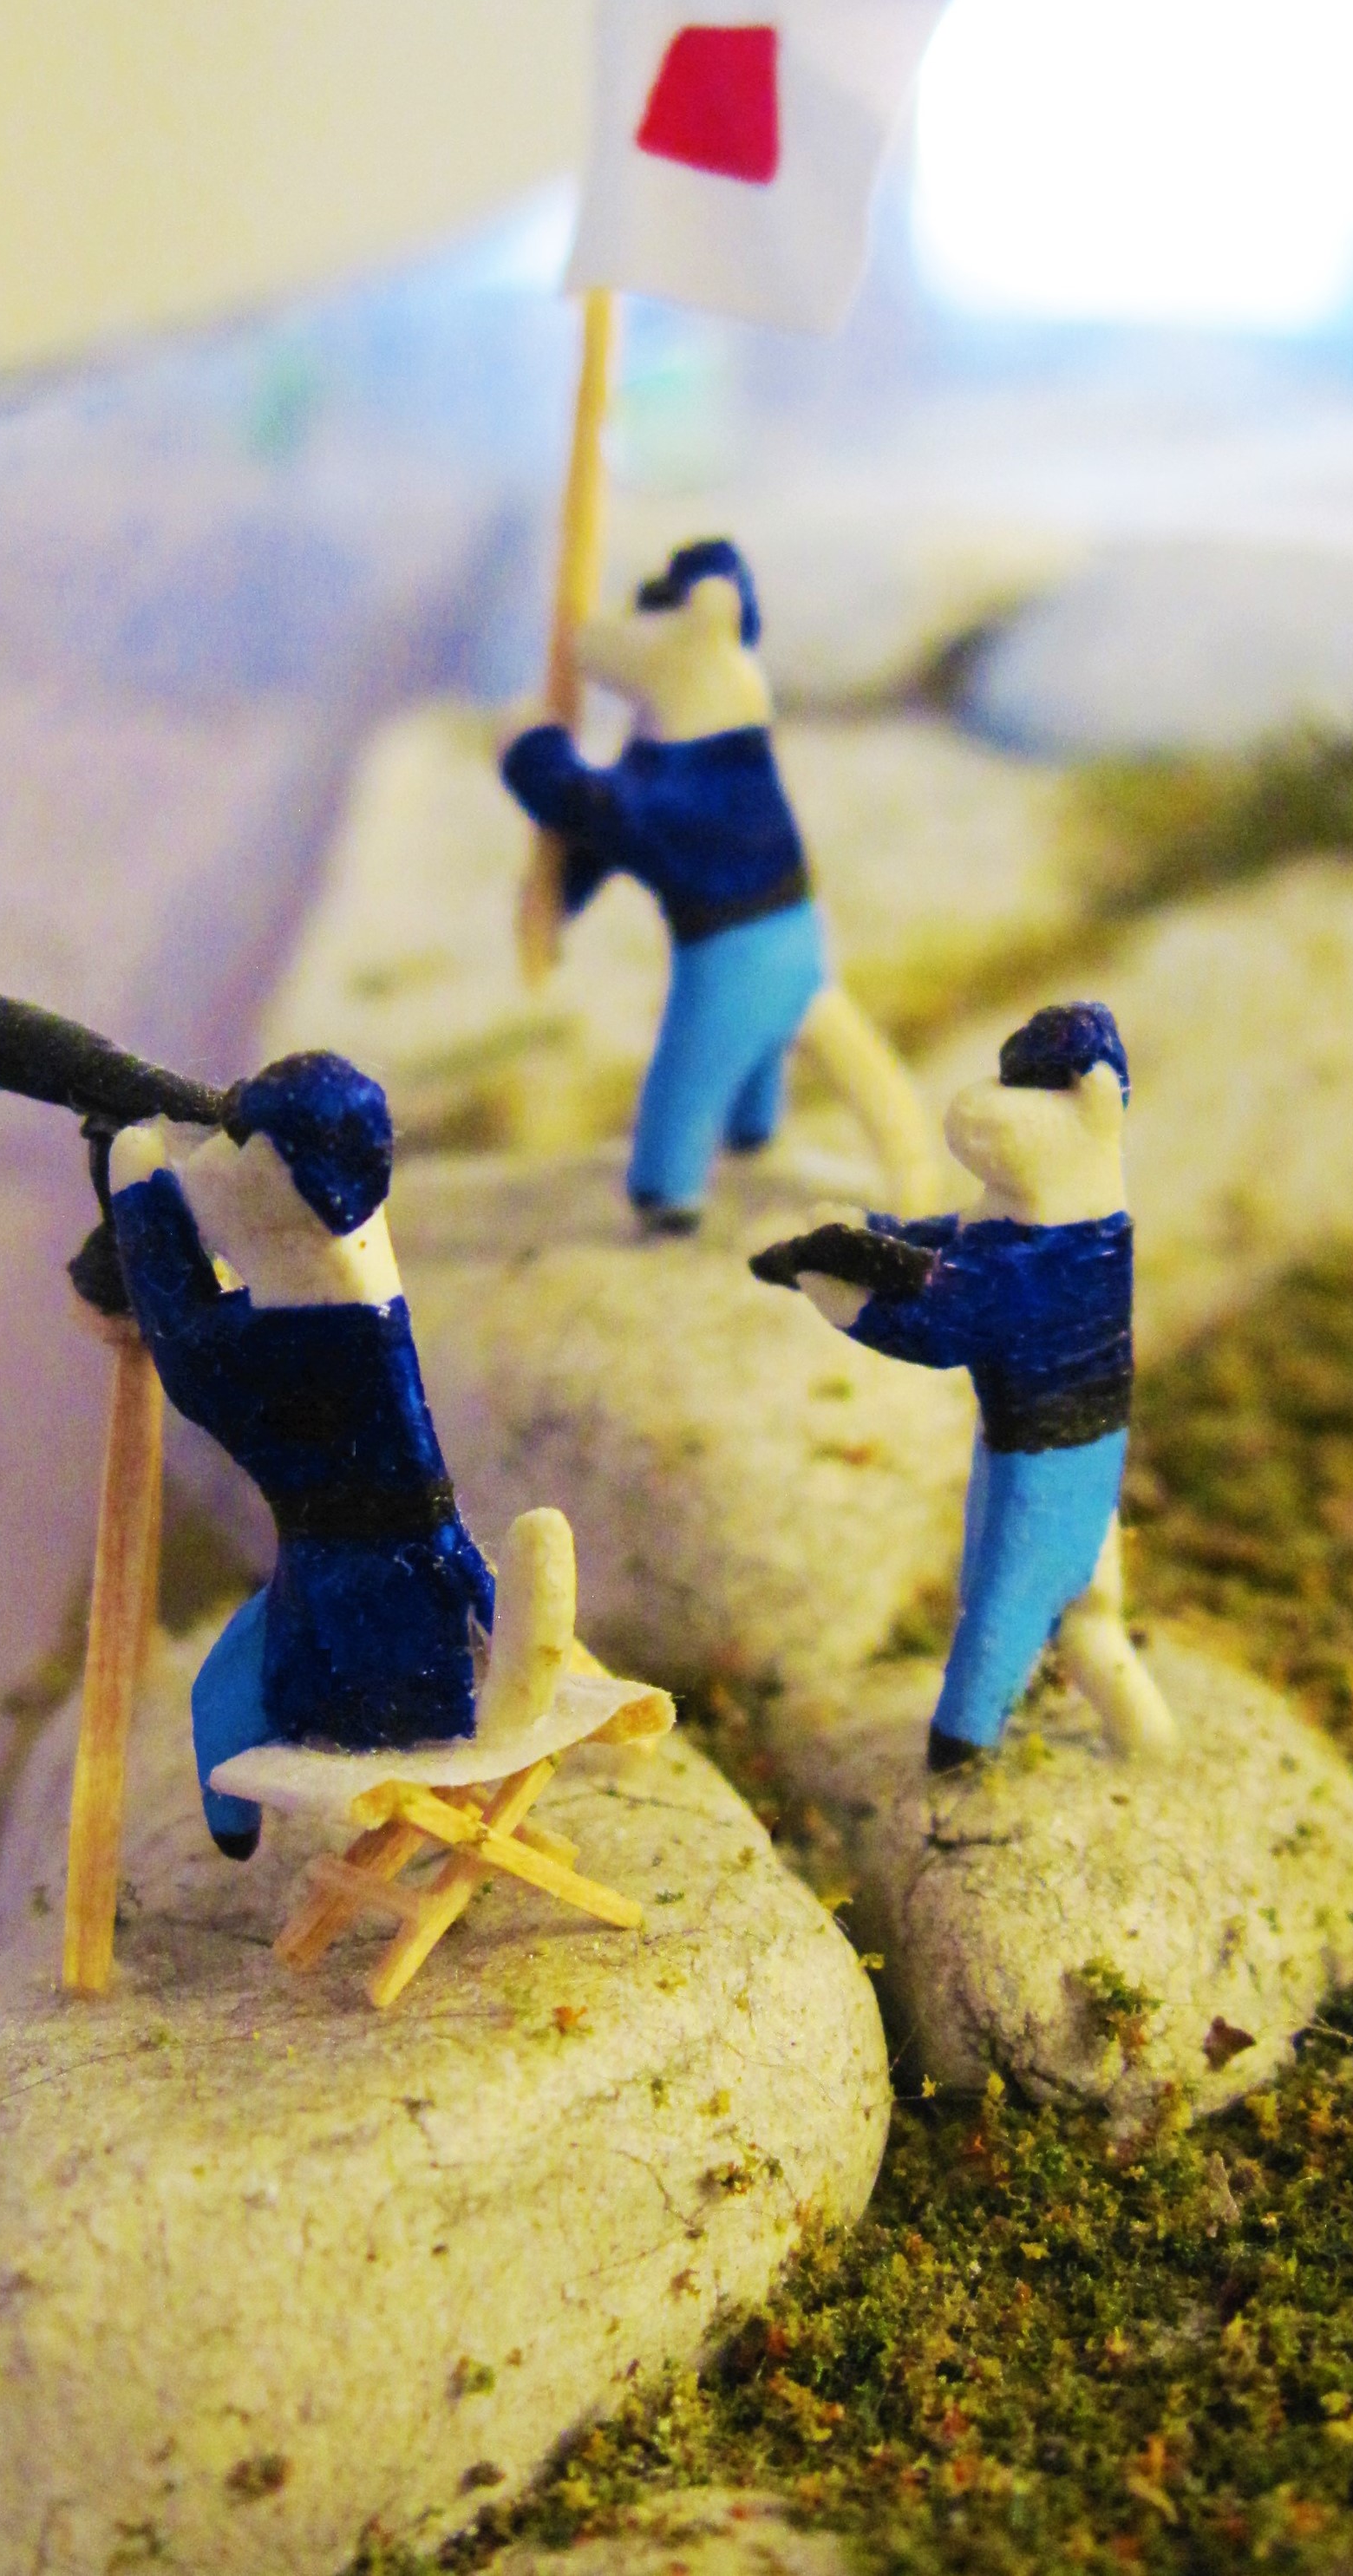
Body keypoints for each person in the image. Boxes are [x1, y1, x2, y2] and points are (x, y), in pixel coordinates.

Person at [755, 1001, 1174, 1769]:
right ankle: (1148, 1740)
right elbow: (955, 1242)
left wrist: (840, 1295)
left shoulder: (1050, 1253)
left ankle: (962, 1751)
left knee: (1003, 1610)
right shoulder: (1058, 1219)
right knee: (1074, 1614)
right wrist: (871, 1232)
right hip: (1044, 1451)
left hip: (1049, 1465)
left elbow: (941, 1321)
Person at [107, 1049, 495, 1855]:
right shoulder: (365, 1287)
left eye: (237, 1149)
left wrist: (138, 1190)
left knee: (225, 1699)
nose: (214, 1165)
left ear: (281, 1183)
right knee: (223, 1691)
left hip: (350, 1606)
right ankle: (238, 1823)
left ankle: (235, 1827)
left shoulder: (301, 1342)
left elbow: (184, 1344)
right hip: (411, 1571)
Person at [501, 537, 936, 1227]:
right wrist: (562, 899)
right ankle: (781, 1132)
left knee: (689, 1077)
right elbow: (611, 834)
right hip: (796, 935)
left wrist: (533, 752)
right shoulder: (706, 741)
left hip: (731, 957)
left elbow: (600, 814)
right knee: (833, 1052)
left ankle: (667, 1188)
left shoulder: (685, 767)